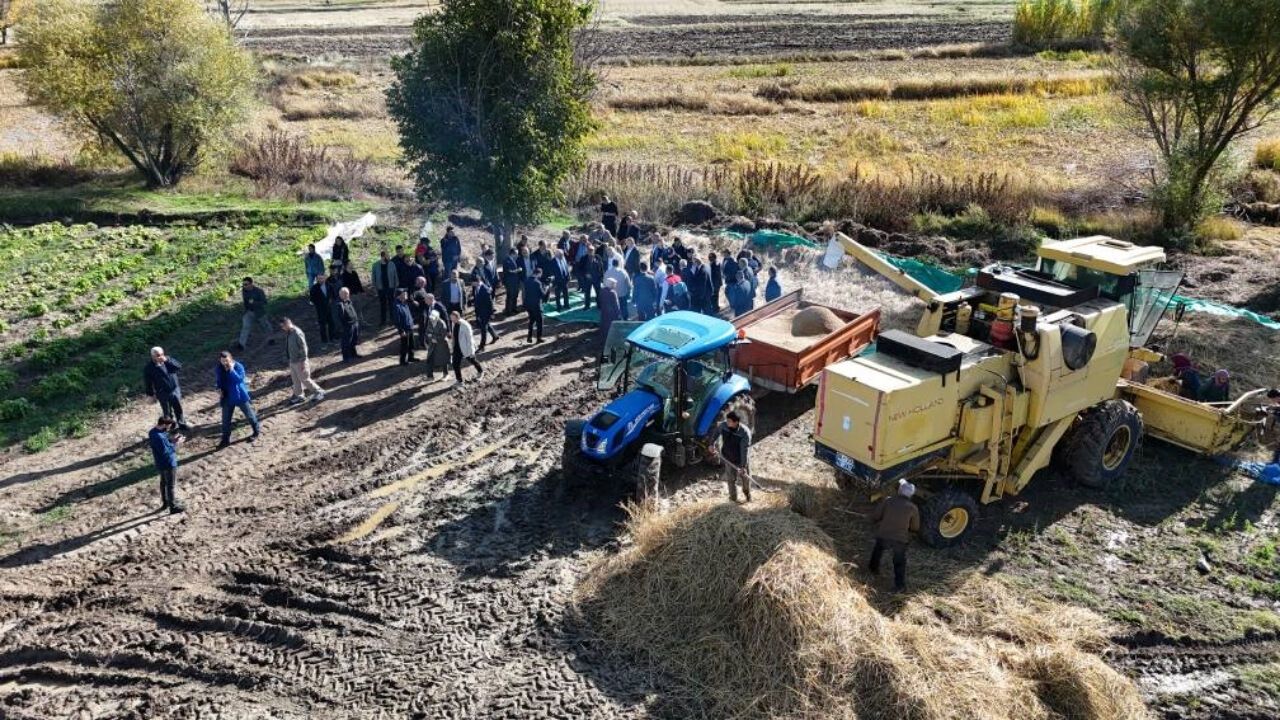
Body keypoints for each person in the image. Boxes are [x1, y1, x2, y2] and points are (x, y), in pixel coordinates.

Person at [868, 480, 920, 592]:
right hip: (900, 539)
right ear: (911, 495)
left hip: (884, 534)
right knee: (899, 562)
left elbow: (876, 516)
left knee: (877, 551)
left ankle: (873, 569)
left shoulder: (888, 501)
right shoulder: (913, 508)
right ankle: (899, 586)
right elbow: (915, 527)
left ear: (899, 491)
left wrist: (876, 521)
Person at [215, 351, 261, 448]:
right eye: (222, 361)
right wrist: (218, 388)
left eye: (226, 361)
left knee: (250, 415)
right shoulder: (219, 368)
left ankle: (256, 431)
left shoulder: (238, 366)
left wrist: (232, 370)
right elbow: (219, 381)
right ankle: (225, 440)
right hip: (227, 397)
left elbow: (239, 380)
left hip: (239, 395)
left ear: (231, 359)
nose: (224, 363)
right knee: (225, 420)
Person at [279, 317, 325, 403]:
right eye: (281, 326)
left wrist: (303, 361)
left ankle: (319, 391)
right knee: (295, 380)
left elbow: (303, 347)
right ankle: (299, 396)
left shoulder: (297, 332)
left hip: (299, 361)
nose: (282, 328)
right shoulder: (289, 333)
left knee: (304, 378)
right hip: (292, 361)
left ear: (288, 323)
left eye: (283, 326)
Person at [143, 346, 190, 431]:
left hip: (174, 389)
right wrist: (150, 394)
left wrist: (167, 360)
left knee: (178, 408)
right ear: (153, 356)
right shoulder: (149, 368)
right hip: (162, 392)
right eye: (158, 355)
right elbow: (148, 382)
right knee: (167, 412)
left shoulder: (168, 360)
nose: (161, 357)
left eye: (162, 354)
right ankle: (171, 427)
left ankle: (182, 424)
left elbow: (178, 366)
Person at [712, 410, 752, 503]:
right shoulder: (724, 425)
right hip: (728, 457)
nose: (727, 422)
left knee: (745, 479)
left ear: (736, 422)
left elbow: (744, 450)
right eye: (727, 420)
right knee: (731, 479)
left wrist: (743, 466)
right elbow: (716, 432)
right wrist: (711, 444)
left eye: (729, 421)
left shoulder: (744, 433)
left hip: (741, 459)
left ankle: (747, 494)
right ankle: (733, 499)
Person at [148, 416, 185, 514]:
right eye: (168, 426)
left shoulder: (152, 432)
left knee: (163, 483)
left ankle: (165, 503)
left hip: (160, 463)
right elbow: (166, 452)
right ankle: (173, 507)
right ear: (164, 424)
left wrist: (173, 440)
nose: (169, 428)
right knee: (170, 485)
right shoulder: (159, 437)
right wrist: (177, 444)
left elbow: (164, 444)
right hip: (168, 463)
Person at [235, 277, 272, 351]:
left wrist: (254, 302)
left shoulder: (259, 291)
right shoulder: (244, 291)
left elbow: (264, 302)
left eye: (246, 284)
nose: (244, 286)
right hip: (249, 312)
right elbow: (245, 302)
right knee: (245, 327)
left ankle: (271, 339)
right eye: (243, 284)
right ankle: (241, 345)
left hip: (259, 312)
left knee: (265, 326)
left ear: (251, 284)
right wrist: (245, 310)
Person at [450, 310, 483, 387]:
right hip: (457, 347)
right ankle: (459, 381)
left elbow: (470, 339)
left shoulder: (465, 325)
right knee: (455, 364)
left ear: (458, 317)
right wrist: (452, 346)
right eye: (451, 318)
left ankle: (480, 371)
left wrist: (471, 351)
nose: (452, 320)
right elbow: (454, 335)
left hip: (465, 347)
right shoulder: (453, 323)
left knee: (472, 360)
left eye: (453, 319)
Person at [372, 250, 400, 326]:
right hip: (381, 288)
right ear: (383, 256)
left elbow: (395, 275)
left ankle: (392, 320)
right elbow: (373, 277)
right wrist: (375, 287)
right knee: (382, 305)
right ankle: (383, 321)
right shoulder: (375, 265)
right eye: (387, 256)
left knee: (391, 304)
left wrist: (396, 285)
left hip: (390, 287)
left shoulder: (392, 264)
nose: (389, 257)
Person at [472, 276, 500, 350]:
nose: (472, 284)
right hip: (480, 311)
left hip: (485, 312)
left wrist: (492, 313)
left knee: (483, 328)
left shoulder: (485, 289)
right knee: (487, 324)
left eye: (473, 283)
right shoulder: (477, 287)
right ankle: (495, 336)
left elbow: (490, 302)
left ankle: (482, 345)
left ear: (477, 282)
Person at [310, 272, 336, 345]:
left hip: (330, 309)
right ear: (317, 279)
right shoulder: (314, 288)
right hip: (321, 310)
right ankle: (324, 341)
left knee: (331, 324)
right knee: (322, 326)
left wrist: (331, 300)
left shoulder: (329, 285)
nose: (320, 280)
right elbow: (312, 300)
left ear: (325, 278)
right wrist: (319, 304)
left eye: (322, 278)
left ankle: (332, 338)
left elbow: (333, 295)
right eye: (319, 279)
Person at [392, 289, 417, 365]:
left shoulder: (405, 303)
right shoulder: (397, 306)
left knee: (412, 344)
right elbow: (397, 320)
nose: (406, 294)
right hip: (404, 329)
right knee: (405, 345)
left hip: (410, 327)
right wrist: (401, 330)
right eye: (404, 293)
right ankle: (403, 361)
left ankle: (411, 357)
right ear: (399, 296)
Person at [598, 278, 622, 360]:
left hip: (604, 314)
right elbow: (616, 306)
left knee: (604, 329)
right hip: (612, 315)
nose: (615, 285)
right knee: (612, 331)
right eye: (615, 284)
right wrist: (619, 315)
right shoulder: (613, 293)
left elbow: (600, 302)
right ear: (612, 284)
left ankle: (604, 343)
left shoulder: (602, 291)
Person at [524, 268, 549, 343]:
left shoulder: (527, 280)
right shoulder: (537, 283)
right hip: (536, 305)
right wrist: (547, 288)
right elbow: (543, 295)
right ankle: (539, 338)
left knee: (531, 320)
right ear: (539, 273)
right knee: (539, 321)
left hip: (528, 304)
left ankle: (529, 337)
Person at [336, 287, 361, 362]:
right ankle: (346, 357)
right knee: (346, 342)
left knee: (354, 340)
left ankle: (353, 354)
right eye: (346, 294)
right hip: (347, 325)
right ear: (341, 295)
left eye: (348, 294)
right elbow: (339, 317)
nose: (348, 295)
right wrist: (343, 327)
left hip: (354, 323)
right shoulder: (339, 304)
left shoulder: (348, 301)